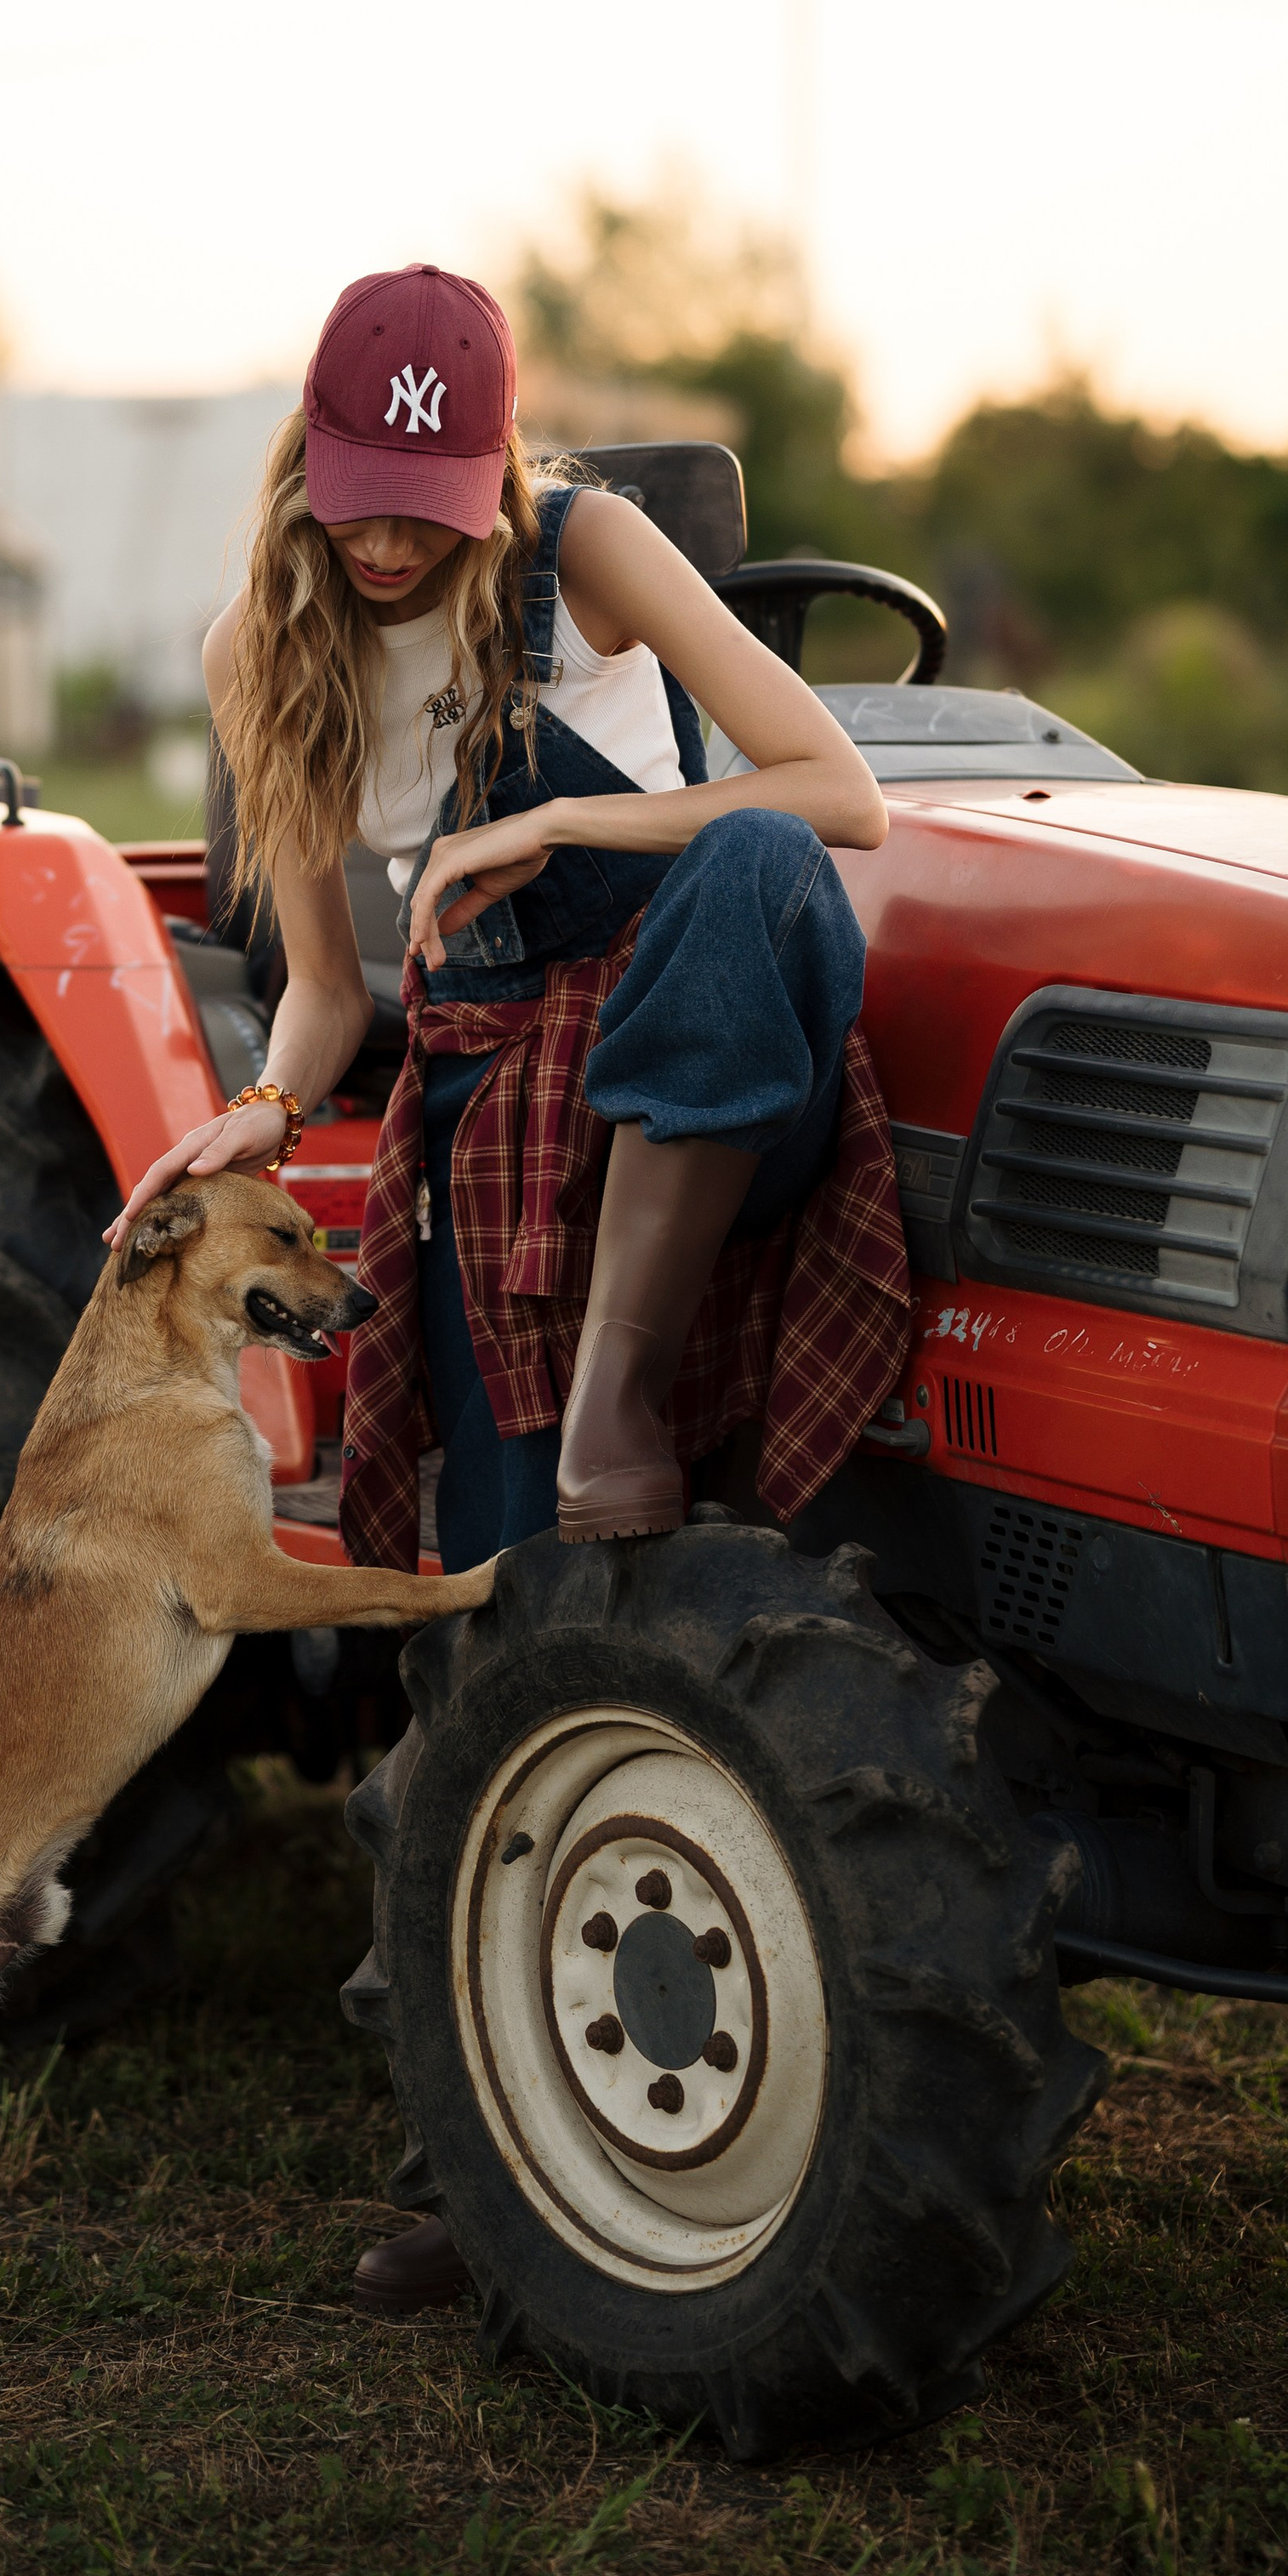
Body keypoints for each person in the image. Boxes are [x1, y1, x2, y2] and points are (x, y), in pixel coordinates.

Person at [105, 262, 909, 2312]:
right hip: (493, 1107)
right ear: (307, 462)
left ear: (486, 469)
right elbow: (326, 988)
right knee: (491, 1621)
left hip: (698, 1051)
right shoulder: (252, 653)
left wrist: (564, 807)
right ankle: (486, 2153)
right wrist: (264, 1119)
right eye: (359, 496)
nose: (388, 540)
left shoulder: (590, 550)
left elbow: (838, 795)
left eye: (425, 501)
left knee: (748, 869)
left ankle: (625, 1398)